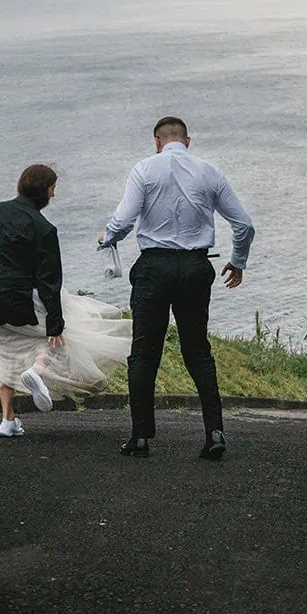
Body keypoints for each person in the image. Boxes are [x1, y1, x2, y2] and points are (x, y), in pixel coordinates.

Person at [99, 116, 255, 460]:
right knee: (197, 350)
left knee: (144, 352)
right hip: (196, 267)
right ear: (187, 141)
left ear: (157, 142)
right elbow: (244, 224)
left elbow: (124, 220)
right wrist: (238, 261)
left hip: (154, 268)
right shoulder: (210, 172)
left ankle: (140, 436)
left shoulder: (144, 169)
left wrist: (108, 237)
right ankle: (215, 433)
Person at [0, 163, 132, 438]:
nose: (54, 195)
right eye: (53, 188)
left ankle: (7, 420)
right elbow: (49, 281)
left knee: (3, 351)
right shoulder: (44, 227)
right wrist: (56, 324)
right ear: (45, 192)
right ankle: (37, 370)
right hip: (19, 302)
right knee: (65, 329)